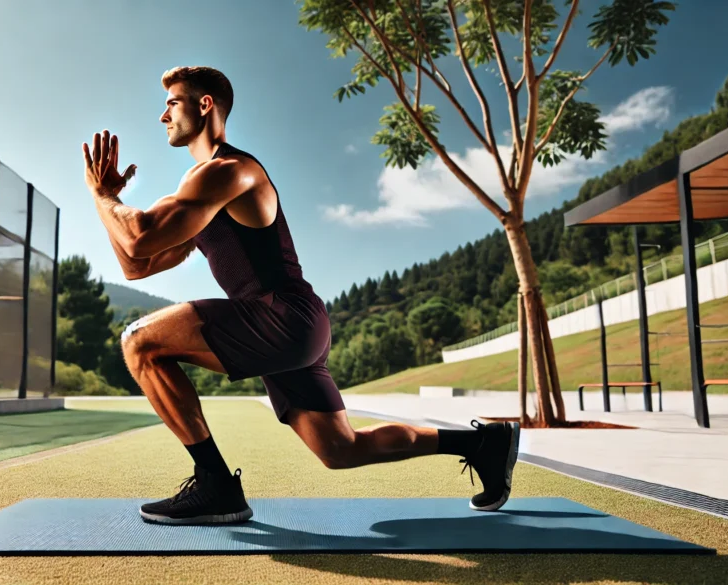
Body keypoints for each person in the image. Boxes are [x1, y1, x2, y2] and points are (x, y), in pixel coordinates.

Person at [83, 66, 520, 526]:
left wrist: (101, 195)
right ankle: (481, 444)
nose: (163, 115)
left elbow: (138, 236)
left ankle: (215, 483)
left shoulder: (230, 171)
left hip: (280, 316)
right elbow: (137, 263)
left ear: (204, 104)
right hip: (295, 326)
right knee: (341, 449)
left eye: (172, 103)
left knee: (139, 341)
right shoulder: (205, 191)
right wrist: (107, 198)